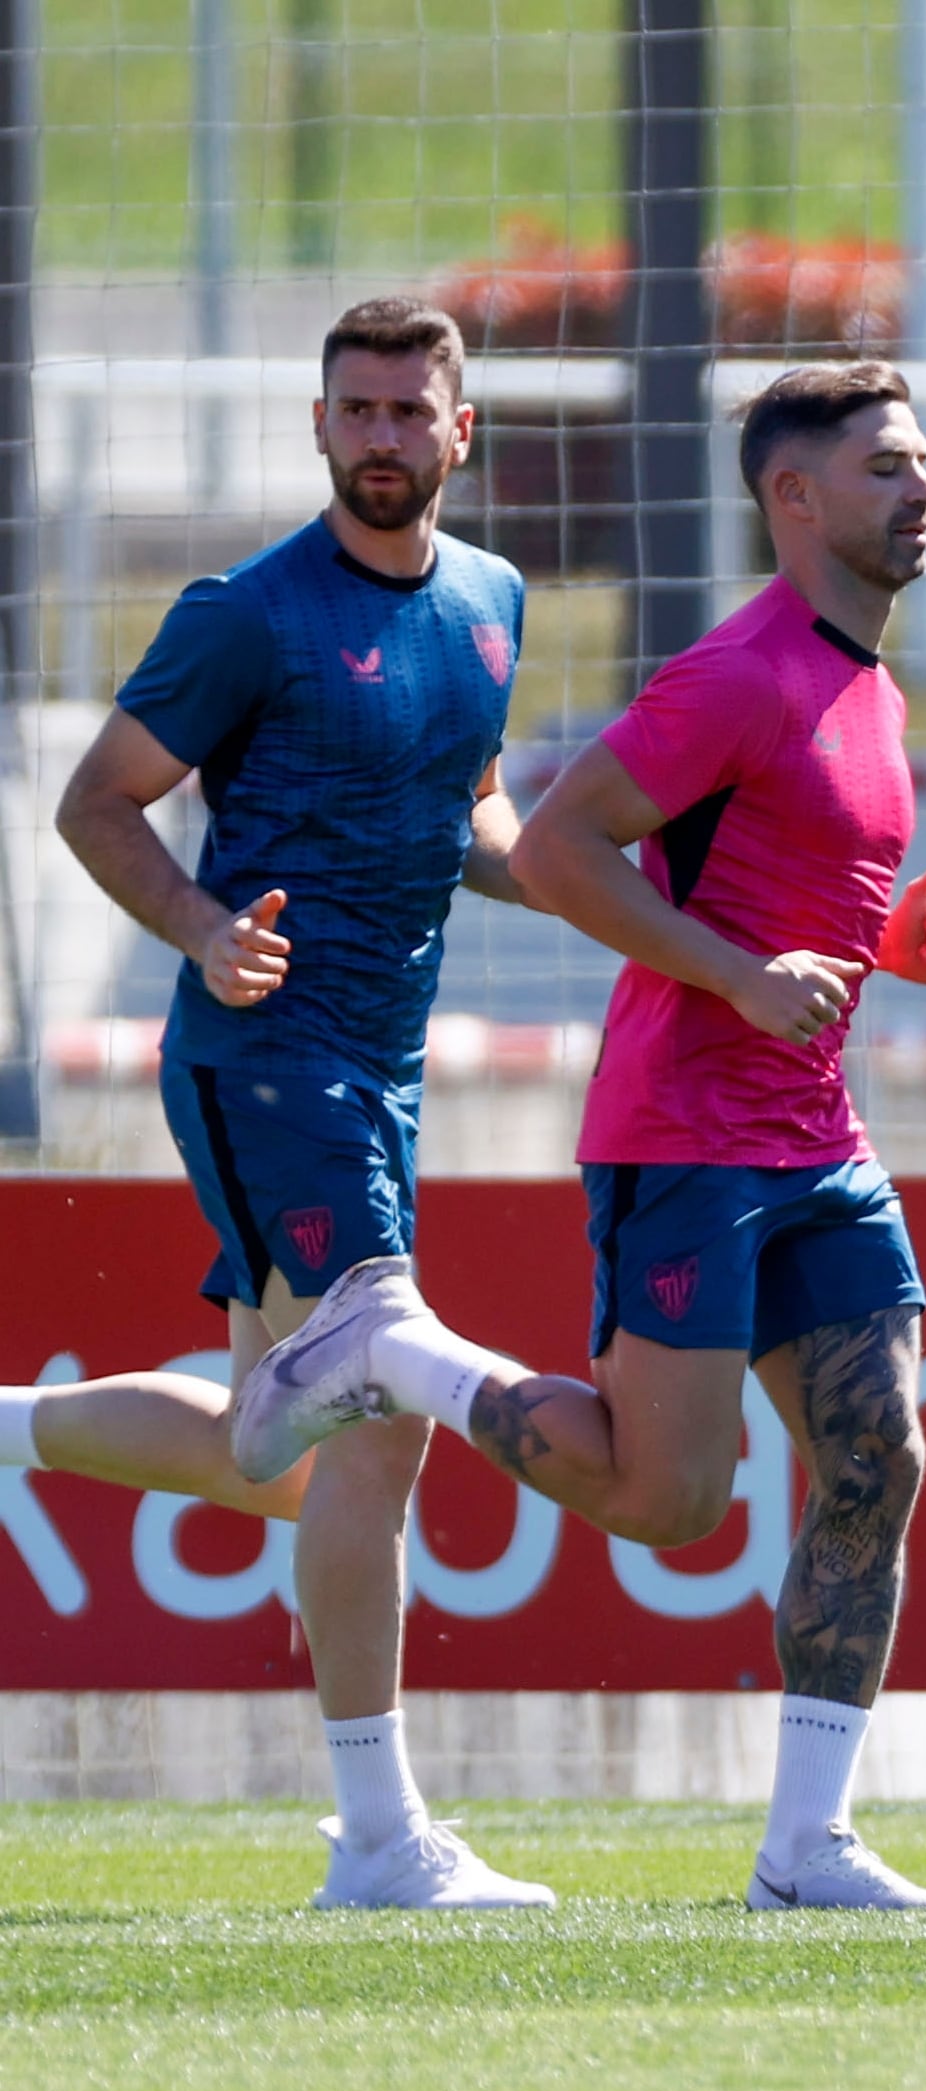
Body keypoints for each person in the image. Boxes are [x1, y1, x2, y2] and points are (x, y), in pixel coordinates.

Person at [230, 361, 926, 1912]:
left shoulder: (873, 685)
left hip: (814, 1137)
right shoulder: (741, 670)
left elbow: (777, 895)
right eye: (888, 468)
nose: (923, 492)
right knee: (669, 1500)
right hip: (688, 1135)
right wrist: (736, 974)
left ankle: (806, 1843)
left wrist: (886, 945)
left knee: (881, 1450)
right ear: (794, 499)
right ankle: (397, 1357)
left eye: (923, 465)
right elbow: (561, 845)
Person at [40, 298, 547, 1906]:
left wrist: (618, 895)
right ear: (318, 426)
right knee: (383, 1417)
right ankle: (383, 1839)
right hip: (265, 1058)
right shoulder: (247, 613)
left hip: (381, 1069)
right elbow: (97, 799)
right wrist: (200, 928)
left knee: (273, 1449)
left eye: (412, 410)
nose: (383, 436)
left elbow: (476, 811)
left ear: (462, 432)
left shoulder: (491, 602)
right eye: (357, 409)